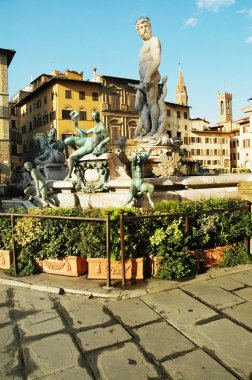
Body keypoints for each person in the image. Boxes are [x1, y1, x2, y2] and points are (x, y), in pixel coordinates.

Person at [64, 110, 110, 180]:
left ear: (98, 116)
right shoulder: (96, 125)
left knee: (71, 157)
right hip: (87, 140)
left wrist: (100, 145)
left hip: (91, 145)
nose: (94, 118)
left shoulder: (101, 126)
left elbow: (108, 138)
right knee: (67, 140)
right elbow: (86, 132)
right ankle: (77, 151)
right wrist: (76, 125)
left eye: (95, 116)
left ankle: (69, 175)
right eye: (93, 117)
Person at [136, 17, 161, 136]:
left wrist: (148, 76)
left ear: (150, 27)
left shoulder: (154, 40)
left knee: (152, 102)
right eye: (141, 27)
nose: (144, 29)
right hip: (143, 80)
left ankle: (154, 130)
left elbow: (157, 60)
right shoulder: (142, 47)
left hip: (151, 76)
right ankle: (147, 127)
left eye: (146, 26)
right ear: (138, 31)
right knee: (138, 105)